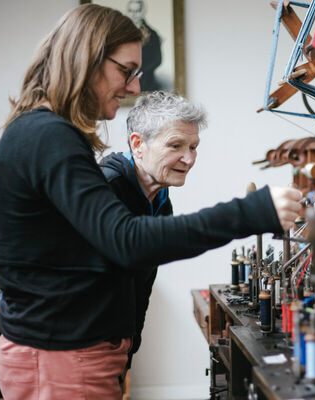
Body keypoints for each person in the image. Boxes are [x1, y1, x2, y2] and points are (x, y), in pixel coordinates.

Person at [0, 4, 302, 400]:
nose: (135, 88)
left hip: (70, 353)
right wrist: (254, 212)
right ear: (86, 58)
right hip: (61, 357)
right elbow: (128, 240)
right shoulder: (49, 136)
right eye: (126, 71)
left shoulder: (44, 132)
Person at [99, 90, 205, 370]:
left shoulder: (160, 200)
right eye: (176, 146)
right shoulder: (106, 190)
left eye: (193, 147)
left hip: (121, 345)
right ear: (138, 144)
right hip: (90, 349)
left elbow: (142, 282)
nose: (190, 159)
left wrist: (132, 342)